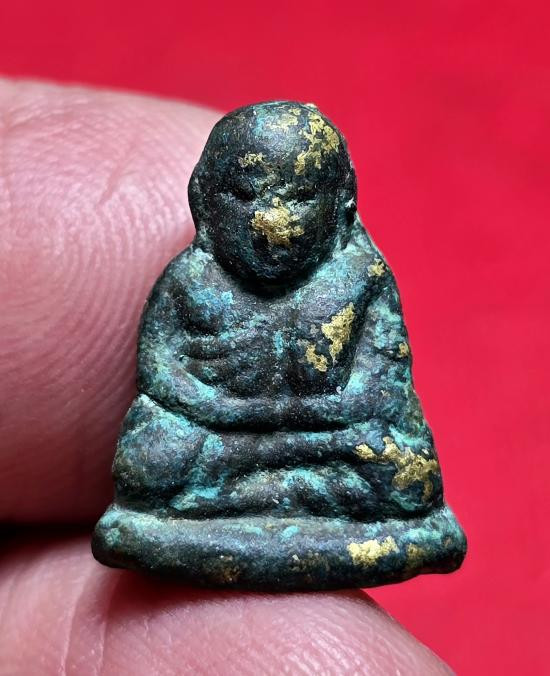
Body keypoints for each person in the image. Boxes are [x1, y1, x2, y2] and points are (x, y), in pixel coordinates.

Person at [0, 80, 453, 673]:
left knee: (405, 471)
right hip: (222, 432)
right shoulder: (191, 280)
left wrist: (301, 421)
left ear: (341, 202)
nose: (273, 221)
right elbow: (162, 377)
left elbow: (381, 389)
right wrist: (228, 413)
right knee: (152, 457)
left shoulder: (362, 278)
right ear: (207, 201)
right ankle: (261, 493)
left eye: (300, 197)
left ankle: (236, 498)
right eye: (246, 195)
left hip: (325, 437)